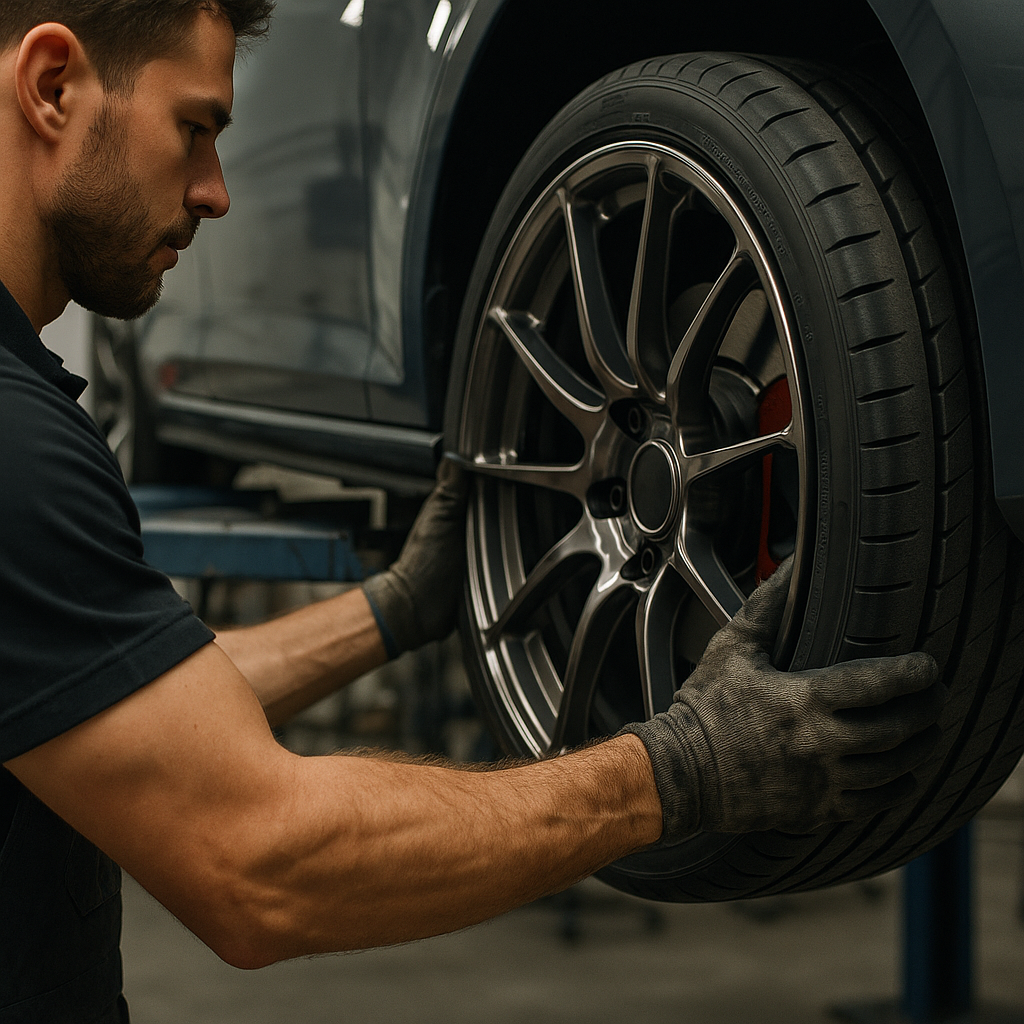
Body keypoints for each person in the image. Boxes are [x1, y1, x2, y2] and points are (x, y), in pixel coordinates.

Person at [0, 2, 947, 1021]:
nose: (215, 192)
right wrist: (673, 770)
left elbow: (127, 705)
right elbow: (257, 860)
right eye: (195, 127)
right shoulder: (18, 447)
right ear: (53, 85)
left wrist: (399, 607)